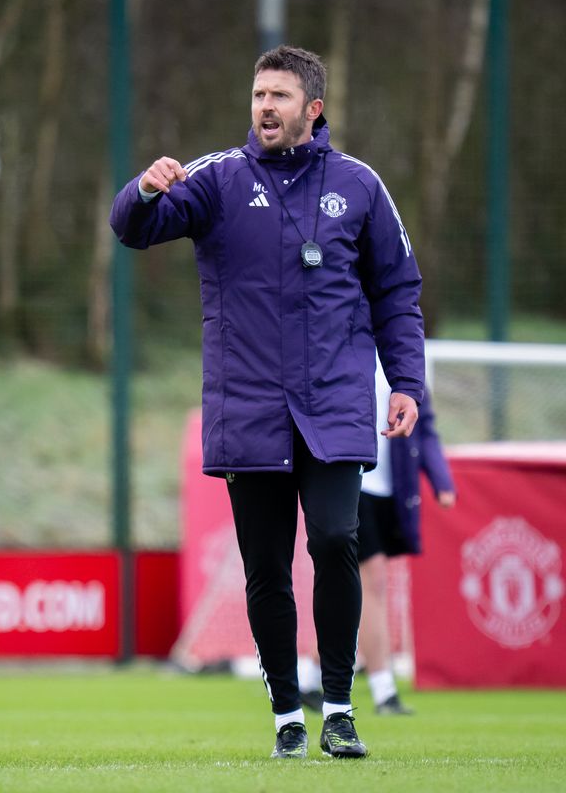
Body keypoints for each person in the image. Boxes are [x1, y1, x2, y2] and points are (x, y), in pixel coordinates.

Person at [111, 46, 426, 760]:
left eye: (280, 96)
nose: (265, 107)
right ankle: (288, 710)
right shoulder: (217, 180)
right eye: (258, 95)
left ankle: (340, 709)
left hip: (336, 403)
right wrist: (145, 188)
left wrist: (407, 382)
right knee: (265, 571)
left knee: (338, 539)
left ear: (313, 108)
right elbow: (132, 228)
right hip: (248, 408)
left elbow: (397, 293)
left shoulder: (361, 185)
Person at [299, 353, 456, 716]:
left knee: (347, 586)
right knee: (373, 583)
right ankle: (383, 689)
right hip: (352, 482)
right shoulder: (339, 357)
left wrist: (441, 482)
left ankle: (306, 677)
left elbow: (425, 428)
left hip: (391, 493)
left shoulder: (403, 367)